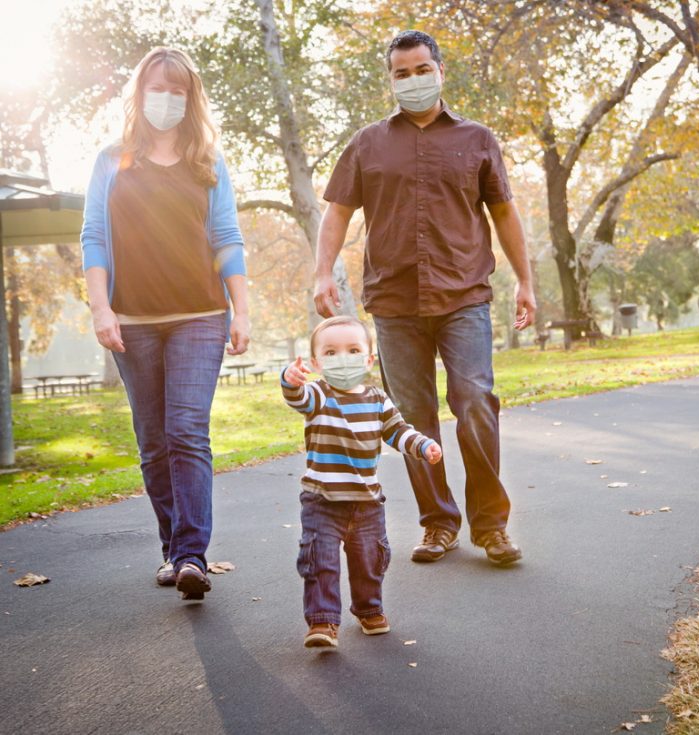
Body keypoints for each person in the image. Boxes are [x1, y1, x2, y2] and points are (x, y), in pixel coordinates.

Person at [314, 30, 536, 566]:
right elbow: (338, 211)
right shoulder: (368, 143)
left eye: (420, 70)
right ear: (390, 78)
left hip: (464, 295)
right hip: (393, 303)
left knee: (475, 403)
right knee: (413, 418)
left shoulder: (478, 139)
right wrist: (323, 271)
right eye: (400, 73)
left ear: (439, 71)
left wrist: (525, 281)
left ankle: (491, 527)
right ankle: (438, 523)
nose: (411, 80)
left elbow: (504, 212)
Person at [81, 47, 249, 601]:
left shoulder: (208, 162)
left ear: (191, 98)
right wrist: (101, 308)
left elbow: (226, 238)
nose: (167, 100)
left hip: (200, 315)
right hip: (132, 320)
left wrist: (240, 309)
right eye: (158, 88)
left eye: (178, 91)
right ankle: (172, 549)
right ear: (139, 92)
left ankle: (191, 555)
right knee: (153, 441)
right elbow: (94, 239)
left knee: (185, 430)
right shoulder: (111, 160)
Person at [281, 316, 442, 648]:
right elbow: (297, 398)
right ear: (316, 362)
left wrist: (423, 445)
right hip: (322, 500)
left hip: (366, 501)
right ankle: (323, 622)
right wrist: (290, 380)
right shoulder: (319, 395)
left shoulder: (376, 399)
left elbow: (398, 431)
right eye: (331, 352)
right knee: (320, 560)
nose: (343, 358)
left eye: (353, 350)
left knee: (369, 559)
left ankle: (369, 609)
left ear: (369, 359)